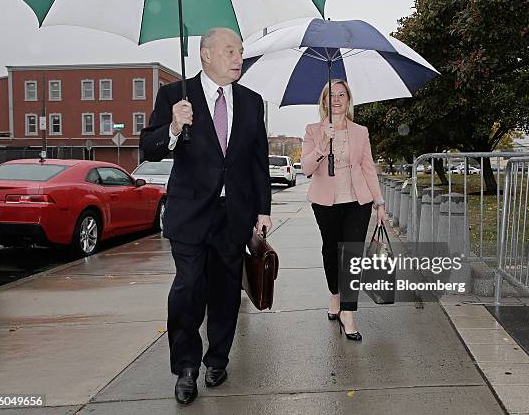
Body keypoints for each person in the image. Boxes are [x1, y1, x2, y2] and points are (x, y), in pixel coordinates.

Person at [139, 27, 272, 405]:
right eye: (230, 51)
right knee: (188, 288)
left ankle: (218, 359)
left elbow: (257, 161)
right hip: (190, 213)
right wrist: (174, 127)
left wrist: (263, 209)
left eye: (240, 51)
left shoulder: (252, 101)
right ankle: (186, 367)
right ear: (206, 55)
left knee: (226, 291)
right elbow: (148, 148)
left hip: (234, 214)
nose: (238, 58)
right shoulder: (174, 96)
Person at [301, 79, 386, 341]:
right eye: (330, 95)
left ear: (348, 100)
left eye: (341, 95)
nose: (336, 99)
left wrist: (379, 203)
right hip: (325, 203)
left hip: (357, 202)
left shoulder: (361, 131)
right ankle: (335, 294)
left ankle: (348, 312)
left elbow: (368, 168)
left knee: (352, 254)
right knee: (330, 251)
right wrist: (322, 145)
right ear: (323, 101)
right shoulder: (314, 130)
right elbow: (305, 169)